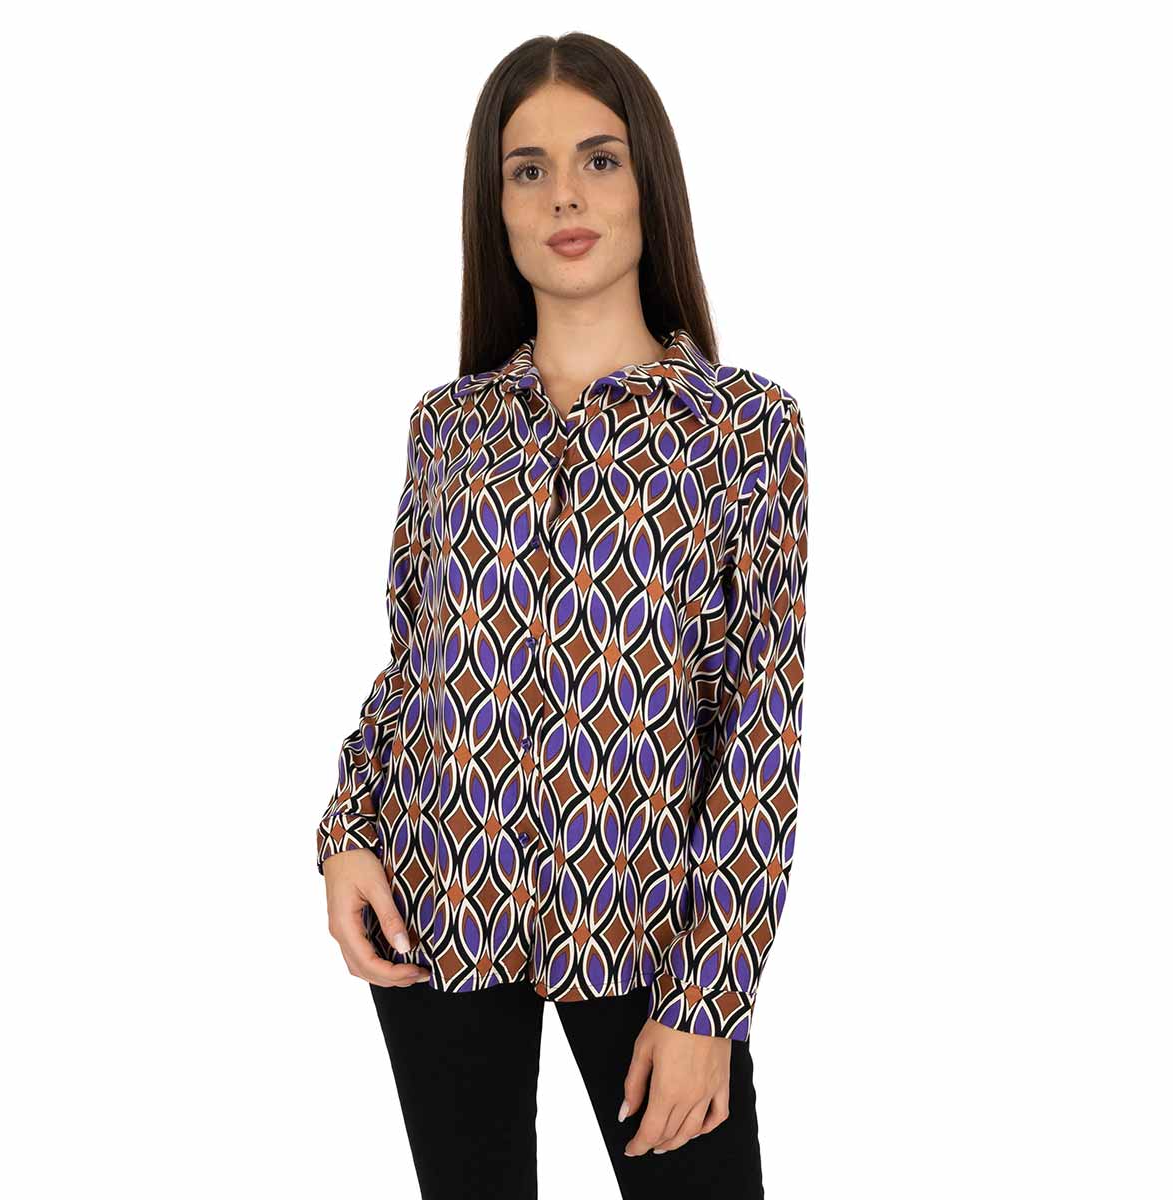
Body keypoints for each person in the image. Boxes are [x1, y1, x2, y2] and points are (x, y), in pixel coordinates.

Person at [315, 31, 808, 1200]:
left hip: (644, 926)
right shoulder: (449, 428)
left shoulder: (743, 429)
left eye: (599, 159)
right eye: (527, 170)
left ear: (648, 186)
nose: (565, 196)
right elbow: (410, 665)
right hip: (437, 902)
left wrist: (710, 1001)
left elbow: (760, 726)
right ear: (496, 207)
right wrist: (346, 835)